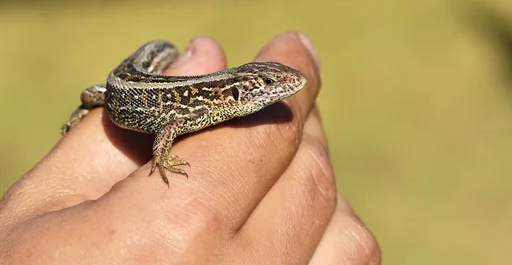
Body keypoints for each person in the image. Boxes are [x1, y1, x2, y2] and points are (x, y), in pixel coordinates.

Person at [0, 32, 381, 264]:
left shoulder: (214, 101)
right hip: (122, 90)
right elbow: (170, 122)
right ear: (239, 90)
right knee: (94, 94)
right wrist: (162, 157)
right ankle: (89, 103)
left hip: (149, 83)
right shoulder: (198, 103)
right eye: (266, 82)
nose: (279, 86)